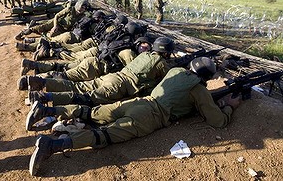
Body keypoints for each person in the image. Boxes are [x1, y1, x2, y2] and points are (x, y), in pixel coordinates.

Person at [27, 57, 241, 176]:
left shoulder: (175, 72)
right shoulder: (199, 90)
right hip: (149, 117)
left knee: (90, 112)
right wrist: (229, 106)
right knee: (104, 135)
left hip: (139, 102)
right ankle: (52, 146)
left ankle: (46, 109)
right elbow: (218, 121)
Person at [20, 37, 174, 106]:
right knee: (84, 98)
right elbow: (168, 77)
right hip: (118, 86)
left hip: (112, 77)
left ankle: (41, 82)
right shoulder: (159, 62)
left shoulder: (145, 55)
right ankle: (44, 96)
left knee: (78, 87)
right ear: (166, 52)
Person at [14, 0, 90, 41]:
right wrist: (55, 26)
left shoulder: (83, 15)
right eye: (81, 7)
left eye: (84, 8)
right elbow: (57, 15)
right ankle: (21, 34)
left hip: (63, 29)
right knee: (40, 27)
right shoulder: (70, 9)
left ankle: (44, 34)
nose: (82, 9)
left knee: (51, 36)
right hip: (56, 22)